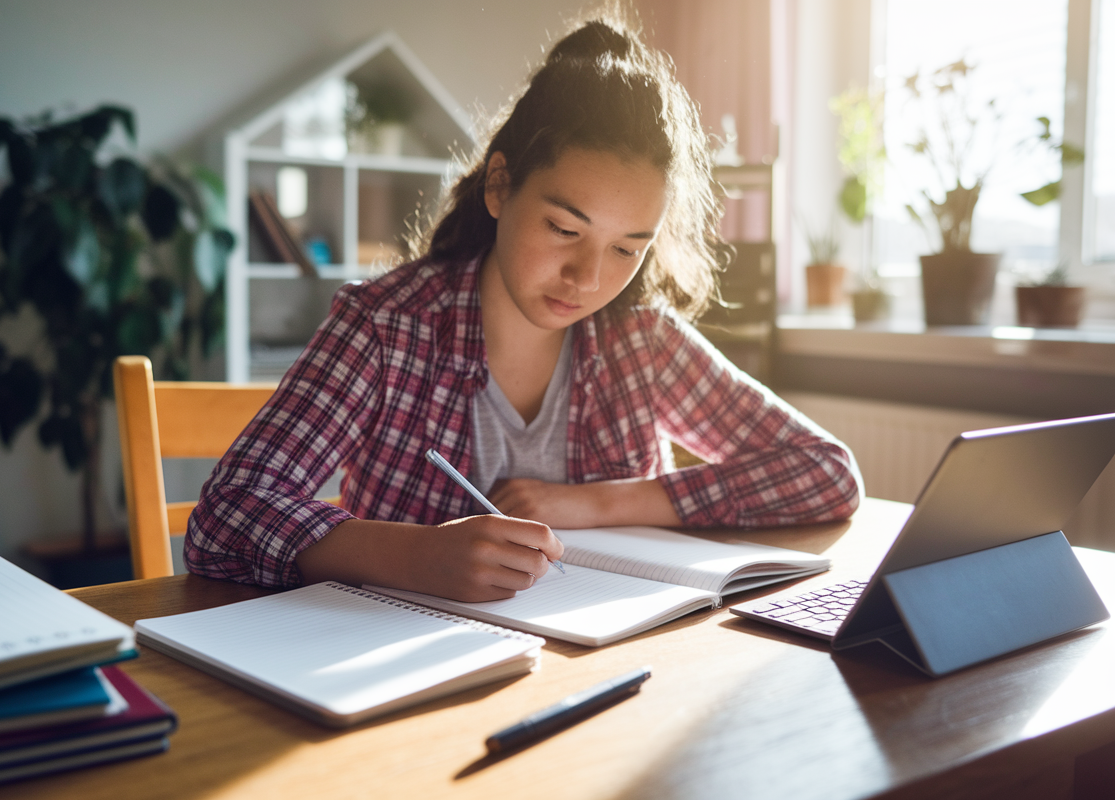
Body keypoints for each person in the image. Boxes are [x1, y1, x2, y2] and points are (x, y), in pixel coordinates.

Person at [185, 15, 861, 602]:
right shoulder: (386, 327)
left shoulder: (640, 339)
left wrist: (599, 503)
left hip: (604, 669)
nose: (589, 278)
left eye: (628, 249)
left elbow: (826, 472)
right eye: (566, 230)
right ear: (501, 185)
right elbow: (225, 517)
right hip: (404, 675)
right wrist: (415, 555)